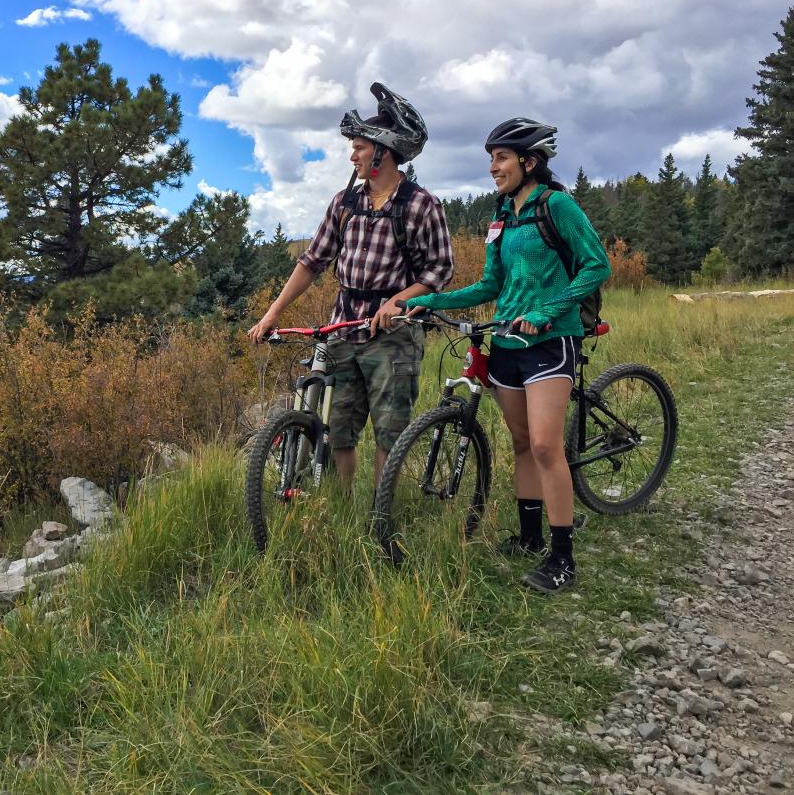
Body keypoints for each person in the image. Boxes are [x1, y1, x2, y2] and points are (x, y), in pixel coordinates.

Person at [405, 118, 610, 593]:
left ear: (529, 161)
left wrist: (548, 310)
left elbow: (598, 264)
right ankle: (530, 537)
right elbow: (491, 285)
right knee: (520, 444)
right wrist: (429, 300)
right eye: (491, 158)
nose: (493, 167)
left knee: (544, 445)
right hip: (506, 344)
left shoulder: (556, 205)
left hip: (550, 341)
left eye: (501, 157)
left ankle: (563, 559)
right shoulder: (502, 213)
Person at [247, 84, 454, 493]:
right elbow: (311, 261)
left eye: (359, 146)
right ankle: (341, 509)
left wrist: (400, 300)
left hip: (393, 335)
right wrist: (273, 313)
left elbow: (441, 268)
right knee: (340, 429)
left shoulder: (420, 204)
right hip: (344, 328)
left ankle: (380, 518)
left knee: (389, 433)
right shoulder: (345, 202)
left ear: (384, 151)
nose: (352, 155)